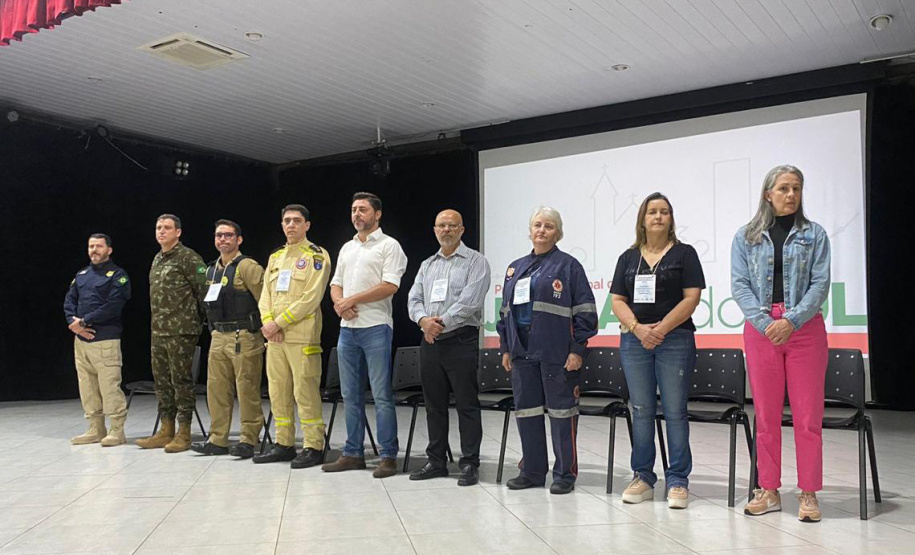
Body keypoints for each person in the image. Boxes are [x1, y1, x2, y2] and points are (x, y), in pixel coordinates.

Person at [731, 165, 830, 523]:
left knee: (807, 417)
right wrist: (765, 323)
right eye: (784, 188)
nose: (792, 195)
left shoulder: (814, 235)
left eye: (797, 188)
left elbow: (820, 285)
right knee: (767, 416)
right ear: (767, 194)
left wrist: (791, 320)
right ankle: (769, 489)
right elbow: (740, 285)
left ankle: (808, 493)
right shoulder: (746, 237)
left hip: (804, 329)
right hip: (761, 332)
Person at [610, 192, 705, 509]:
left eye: (664, 212)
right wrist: (638, 329)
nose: (659, 216)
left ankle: (678, 480)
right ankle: (643, 477)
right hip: (634, 340)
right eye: (652, 212)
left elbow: (691, 298)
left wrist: (660, 329)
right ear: (643, 219)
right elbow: (617, 302)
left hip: (674, 339)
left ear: (671, 219)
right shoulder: (628, 257)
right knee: (641, 410)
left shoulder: (684, 254)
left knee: (675, 410)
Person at [496, 206, 597, 494]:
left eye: (549, 226)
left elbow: (586, 312)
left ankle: (564, 474)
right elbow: (505, 312)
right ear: (530, 231)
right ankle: (532, 472)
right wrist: (505, 347)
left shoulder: (568, 266)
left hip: (557, 353)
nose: (542, 230)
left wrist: (577, 349)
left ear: (558, 233)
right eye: (537, 225)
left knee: (563, 415)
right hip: (521, 353)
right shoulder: (514, 268)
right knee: (526, 413)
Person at [321, 192, 408, 478]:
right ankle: (353, 453)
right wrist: (339, 303)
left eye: (363, 210)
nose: (357, 214)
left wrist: (351, 300)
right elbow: (335, 284)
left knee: (382, 395)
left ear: (377, 214)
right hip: (348, 330)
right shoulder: (347, 248)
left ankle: (388, 456)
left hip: (376, 327)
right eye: (354, 209)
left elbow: (390, 285)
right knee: (350, 395)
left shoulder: (389, 245)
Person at [407, 209, 491, 486]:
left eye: (452, 225)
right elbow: (413, 298)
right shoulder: (427, 264)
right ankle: (436, 461)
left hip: (460, 340)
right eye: (441, 225)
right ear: (434, 230)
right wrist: (422, 320)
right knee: (434, 406)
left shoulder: (476, 262)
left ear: (462, 230)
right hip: (430, 341)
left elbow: (470, 302)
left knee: (467, 404)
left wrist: (438, 322)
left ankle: (469, 464)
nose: (446, 230)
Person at [254, 205, 332, 468]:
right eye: (286, 220)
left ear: (307, 225)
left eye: (297, 221)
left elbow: (311, 298)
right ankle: (283, 443)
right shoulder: (275, 257)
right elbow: (265, 294)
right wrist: (267, 323)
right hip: (274, 338)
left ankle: (313, 446)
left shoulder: (316, 256)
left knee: (305, 392)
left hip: (302, 337)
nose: (291, 225)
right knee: (277, 392)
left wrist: (278, 323)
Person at [190, 220, 265, 459]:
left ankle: (248, 438)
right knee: (216, 390)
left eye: (228, 236)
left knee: (247, 389)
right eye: (218, 236)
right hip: (219, 336)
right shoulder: (212, 269)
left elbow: (266, 301)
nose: (222, 240)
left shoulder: (248, 266)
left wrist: (265, 334)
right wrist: (213, 331)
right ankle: (217, 438)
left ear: (238, 239)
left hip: (243, 335)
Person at [136, 214, 207, 453]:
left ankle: (184, 432)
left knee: (181, 382)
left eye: (167, 228)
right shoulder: (157, 258)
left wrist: (197, 323)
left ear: (178, 232)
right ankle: (165, 430)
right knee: (162, 382)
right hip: (159, 331)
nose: (161, 231)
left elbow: (203, 292)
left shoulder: (189, 257)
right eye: (158, 227)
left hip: (182, 331)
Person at [64, 233, 131, 447]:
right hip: (81, 342)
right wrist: (74, 324)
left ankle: (116, 430)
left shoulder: (117, 275)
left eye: (99, 246)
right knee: (87, 387)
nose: (94, 250)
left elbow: (113, 305)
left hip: (105, 340)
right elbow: (69, 301)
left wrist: (84, 321)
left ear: (109, 250)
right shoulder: (82, 274)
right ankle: (95, 428)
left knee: (109, 386)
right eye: (91, 246)